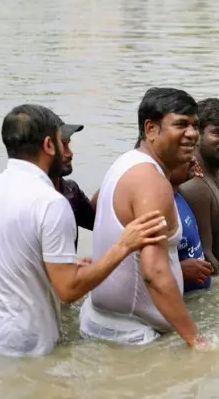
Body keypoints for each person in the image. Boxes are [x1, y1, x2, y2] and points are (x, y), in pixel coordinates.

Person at [0, 104, 166, 357]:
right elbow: (69, 290)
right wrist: (123, 246)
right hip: (26, 345)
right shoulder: (51, 202)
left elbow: (9, 259)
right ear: (49, 145)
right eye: (63, 143)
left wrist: (67, 266)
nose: (68, 151)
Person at [79, 87, 205, 348]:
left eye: (195, 125)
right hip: (133, 338)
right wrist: (195, 340)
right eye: (181, 125)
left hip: (102, 322)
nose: (193, 134)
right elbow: (154, 272)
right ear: (151, 129)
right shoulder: (151, 182)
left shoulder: (127, 162)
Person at [178, 98, 219, 272]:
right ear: (196, 136)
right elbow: (205, 258)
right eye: (218, 133)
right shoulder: (196, 187)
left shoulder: (217, 176)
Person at [50, 116, 96, 248]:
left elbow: (98, 223)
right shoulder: (27, 200)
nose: (70, 154)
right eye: (63, 146)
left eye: (68, 144)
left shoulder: (71, 191)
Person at [172, 158, 213, 293]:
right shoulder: (157, 207)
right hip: (181, 300)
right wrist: (179, 271)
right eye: (185, 154)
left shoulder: (177, 195)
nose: (194, 159)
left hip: (201, 298)